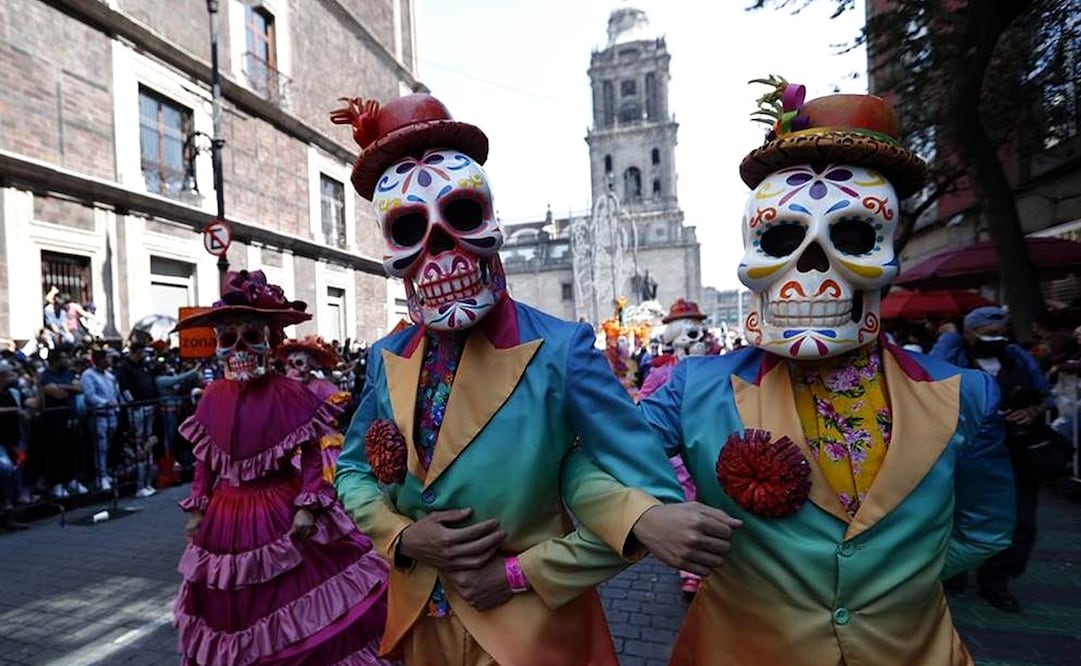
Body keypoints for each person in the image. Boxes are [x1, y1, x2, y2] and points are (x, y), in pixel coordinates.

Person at [331, 93, 739, 665]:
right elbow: (352, 469)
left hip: (531, 638)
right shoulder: (386, 356)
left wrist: (522, 574)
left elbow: (649, 503)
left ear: (489, 225)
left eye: (463, 218)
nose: (441, 250)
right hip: (423, 629)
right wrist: (402, 536)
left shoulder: (561, 351)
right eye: (409, 230)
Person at [637, 81, 1016, 664]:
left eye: (852, 239)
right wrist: (644, 518)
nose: (811, 266)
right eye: (782, 239)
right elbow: (595, 453)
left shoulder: (968, 394)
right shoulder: (695, 389)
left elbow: (986, 527)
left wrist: (895, 581)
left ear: (887, 254)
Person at [173, 270, 394, 665]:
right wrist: (197, 506)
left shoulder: (289, 393)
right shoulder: (210, 396)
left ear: (268, 342)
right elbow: (204, 459)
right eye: (228, 339)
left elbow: (311, 455)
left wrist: (309, 505)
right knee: (230, 602)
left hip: (280, 506)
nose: (239, 347)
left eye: (251, 337)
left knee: (299, 593)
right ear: (217, 346)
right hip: (224, 515)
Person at [930, 306, 1050, 613]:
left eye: (1001, 332)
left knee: (1019, 519)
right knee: (954, 513)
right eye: (988, 333)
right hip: (965, 455)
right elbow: (930, 387)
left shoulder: (1017, 358)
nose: (996, 337)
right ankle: (950, 575)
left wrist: (1032, 411)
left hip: (1016, 453)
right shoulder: (954, 359)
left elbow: (1043, 393)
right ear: (969, 333)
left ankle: (997, 581)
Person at [276, 336, 351, 482]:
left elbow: (339, 403)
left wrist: (319, 417)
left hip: (321, 439)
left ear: (309, 365)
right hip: (294, 440)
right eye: (291, 364)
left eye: (300, 363)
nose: (295, 370)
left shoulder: (320, 385)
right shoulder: (286, 388)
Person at [38, 351, 87, 497]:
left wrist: (62, 386)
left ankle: (71, 479)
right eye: (63, 358)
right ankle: (57, 483)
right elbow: (57, 394)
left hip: (69, 417)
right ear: (55, 360)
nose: (67, 360)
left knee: (71, 450)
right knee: (56, 452)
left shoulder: (68, 373)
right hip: (53, 419)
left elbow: (79, 388)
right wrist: (67, 388)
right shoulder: (45, 375)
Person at [79, 349, 120, 491]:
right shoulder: (88, 375)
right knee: (100, 447)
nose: (109, 361)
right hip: (98, 415)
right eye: (106, 358)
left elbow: (115, 392)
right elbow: (90, 395)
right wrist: (106, 403)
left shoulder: (110, 376)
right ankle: (100, 475)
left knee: (107, 446)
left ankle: (105, 471)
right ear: (99, 360)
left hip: (112, 414)